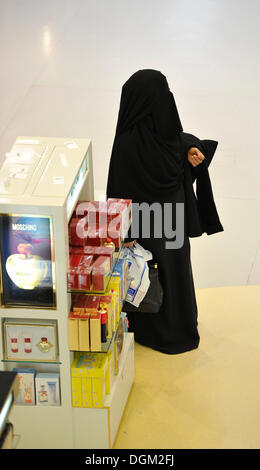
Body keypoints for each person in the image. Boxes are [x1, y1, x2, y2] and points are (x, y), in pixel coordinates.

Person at [106, 69, 223, 354]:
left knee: (149, 275)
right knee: (177, 273)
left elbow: (118, 190)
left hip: (147, 226)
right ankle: (181, 326)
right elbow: (180, 139)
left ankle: (151, 331)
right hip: (174, 225)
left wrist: (126, 233)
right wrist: (191, 146)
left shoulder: (127, 144)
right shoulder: (169, 140)